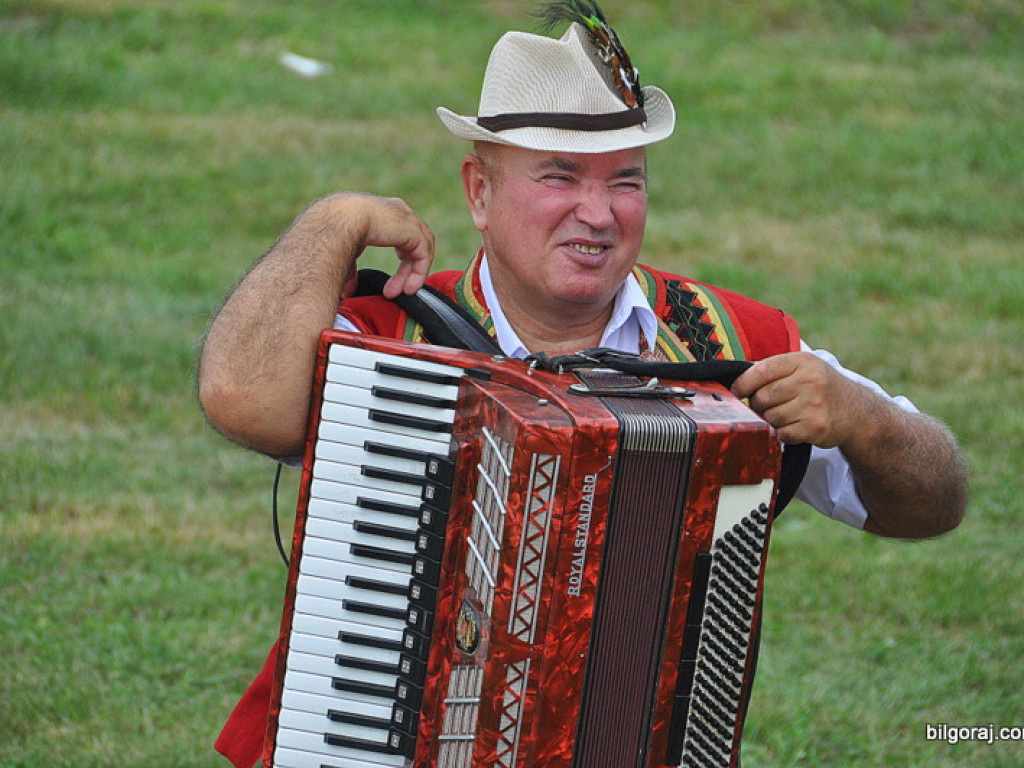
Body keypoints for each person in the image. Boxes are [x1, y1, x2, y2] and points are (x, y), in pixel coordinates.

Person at [198, 4, 967, 766]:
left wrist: (864, 418)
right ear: (480, 192)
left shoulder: (736, 347)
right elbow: (240, 397)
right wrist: (331, 224)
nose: (597, 214)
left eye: (624, 182)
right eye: (560, 176)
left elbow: (935, 504)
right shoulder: (390, 341)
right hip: (375, 744)